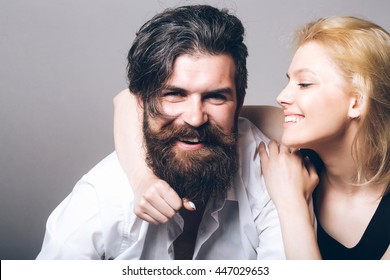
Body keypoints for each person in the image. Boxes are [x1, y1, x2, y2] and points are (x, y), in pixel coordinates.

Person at [37, 5, 285, 260]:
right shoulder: (100, 202)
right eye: (175, 94)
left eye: (216, 97)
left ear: (239, 102)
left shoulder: (270, 172)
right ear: (141, 102)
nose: (195, 118)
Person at [258, 16, 390, 259]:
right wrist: (161, 176)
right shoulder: (297, 131)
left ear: (356, 102)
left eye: (305, 84)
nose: (281, 97)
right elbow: (211, 117)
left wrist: (292, 205)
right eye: (289, 81)